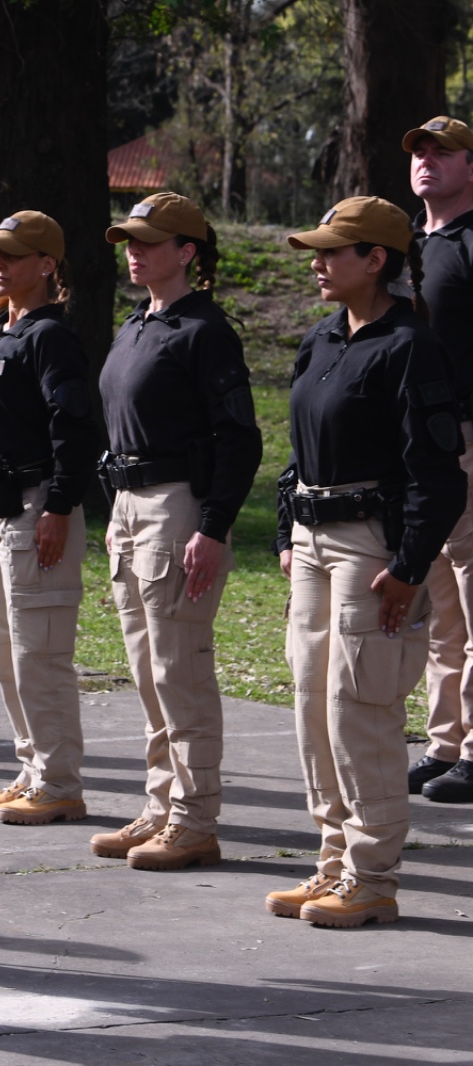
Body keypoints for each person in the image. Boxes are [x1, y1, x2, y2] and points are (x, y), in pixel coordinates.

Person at [270, 197, 464, 927]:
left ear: (376, 260)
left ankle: (372, 875)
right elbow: (297, 453)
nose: (317, 264)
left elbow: (440, 475)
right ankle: (332, 863)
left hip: (371, 546)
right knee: (311, 707)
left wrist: (411, 567)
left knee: (361, 710)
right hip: (316, 544)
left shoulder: (411, 346)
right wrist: (288, 530)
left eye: (332, 252)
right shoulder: (323, 339)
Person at [95, 191, 262, 871]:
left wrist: (214, 524)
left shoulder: (205, 331)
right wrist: (113, 510)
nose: (133, 252)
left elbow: (240, 438)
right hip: (130, 505)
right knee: (145, 668)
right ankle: (161, 804)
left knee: (179, 666)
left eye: (148, 241)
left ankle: (195, 818)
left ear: (187, 251)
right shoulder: (137, 324)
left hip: (178, 507)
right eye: (128, 241)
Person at [0, 211, 100, 825]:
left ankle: (60, 780)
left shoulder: (52, 337)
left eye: (14, 254)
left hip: (34, 505)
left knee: (39, 654)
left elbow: (73, 427)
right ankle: (33, 768)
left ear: (47, 265)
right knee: (5, 651)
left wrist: (60, 506)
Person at [402, 116, 473, 804]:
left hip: (468, 437)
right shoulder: (402, 247)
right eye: (419, 152)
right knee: (439, 599)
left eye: (442, 152)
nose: (426, 161)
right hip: (415, 443)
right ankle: (445, 741)